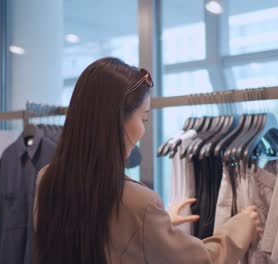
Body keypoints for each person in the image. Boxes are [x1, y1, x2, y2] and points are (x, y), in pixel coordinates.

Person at [34, 57, 262, 264]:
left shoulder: (47, 179)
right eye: (144, 117)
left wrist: (155, 227)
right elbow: (199, 260)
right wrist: (239, 228)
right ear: (115, 121)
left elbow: (97, 235)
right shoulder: (137, 201)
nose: (143, 131)